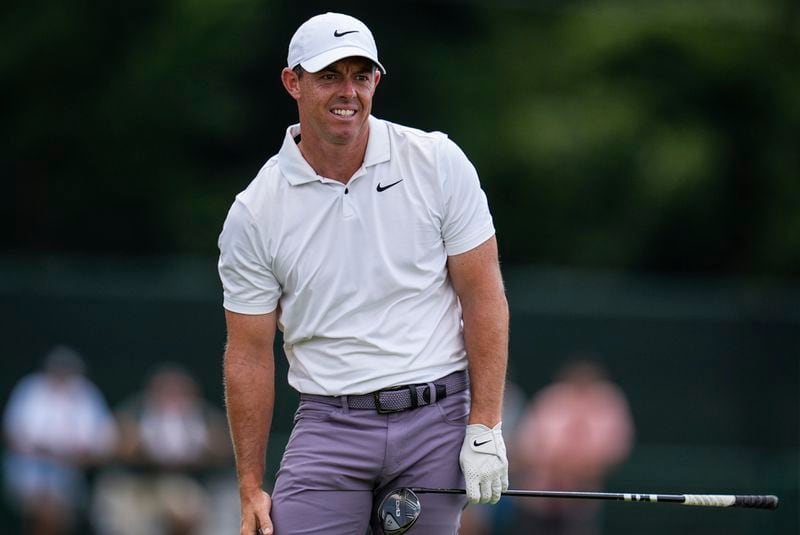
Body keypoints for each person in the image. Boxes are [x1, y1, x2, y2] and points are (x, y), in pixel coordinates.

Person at [217, 12, 509, 535]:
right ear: (293, 82)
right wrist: (249, 485)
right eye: (329, 76)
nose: (347, 91)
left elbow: (483, 295)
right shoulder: (256, 210)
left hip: (435, 419)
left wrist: (484, 425)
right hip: (329, 425)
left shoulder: (437, 162)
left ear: (376, 81)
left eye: (361, 75)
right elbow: (248, 352)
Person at [91, 364, 231, 535]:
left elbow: (223, 449)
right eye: (167, 391)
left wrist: (196, 447)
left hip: (187, 482)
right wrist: (149, 446)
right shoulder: (135, 412)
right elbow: (117, 447)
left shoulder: (202, 416)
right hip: (137, 484)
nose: (173, 397)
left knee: (187, 509)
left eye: (180, 392)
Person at [2, 345, 118, 535]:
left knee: (61, 509)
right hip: (28, 470)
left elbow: (105, 441)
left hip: (73, 474)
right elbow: (13, 434)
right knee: (46, 510)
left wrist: (81, 455)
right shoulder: (30, 389)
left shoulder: (87, 393)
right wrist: (45, 452)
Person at [511, 359, 634, 535]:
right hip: (538, 494)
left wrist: (581, 468)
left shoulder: (608, 401)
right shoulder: (551, 398)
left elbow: (617, 447)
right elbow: (525, 444)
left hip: (583, 497)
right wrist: (552, 465)